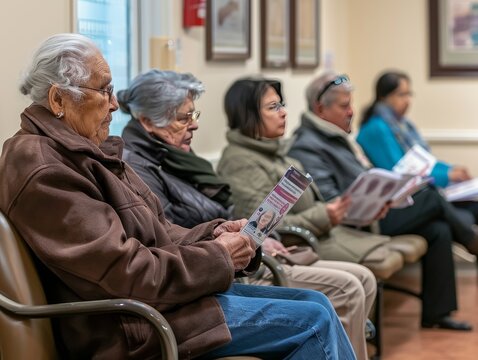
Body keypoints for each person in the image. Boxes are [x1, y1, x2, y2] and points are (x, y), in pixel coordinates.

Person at [0, 34, 356, 360]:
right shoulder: (45, 167)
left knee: (318, 304)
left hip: (160, 307)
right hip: (134, 327)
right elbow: (127, 275)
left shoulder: (81, 152)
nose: (113, 105)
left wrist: (215, 234)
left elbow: (159, 232)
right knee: (313, 321)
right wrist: (218, 256)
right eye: (104, 91)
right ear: (58, 99)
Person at [119, 70, 376, 360]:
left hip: (227, 266)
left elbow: (196, 223)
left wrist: (236, 235)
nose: (194, 125)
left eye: (194, 114)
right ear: (147, 121)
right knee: (325, 307)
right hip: (207, 279)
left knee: (326, 300)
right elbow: (163, 240)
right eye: (183, 118)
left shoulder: (181, 159)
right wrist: (225, 242)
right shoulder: (140, 168)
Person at [287, 70, 474, 331]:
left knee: (438, 230)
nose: (351, 111)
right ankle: (471, 240)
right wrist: (373, 200)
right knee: (431, 198)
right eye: (344, 106)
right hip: (357, 223)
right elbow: (330, 200)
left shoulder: (336, 137)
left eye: (351, 104)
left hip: (376, 211)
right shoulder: (308, 146)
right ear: (320, 108)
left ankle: (437, 313)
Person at [356, 70, 478, 223]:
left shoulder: (402, 125)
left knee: (472, 207)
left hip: (418, 190)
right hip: (399, 199)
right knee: (466, 213)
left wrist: (451, 169)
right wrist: (447, 175)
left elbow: (424, 161)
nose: (407, 100)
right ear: (384, 97)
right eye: (401, 95)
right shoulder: (377, 128)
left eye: (409, 94)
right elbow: (402, 171)